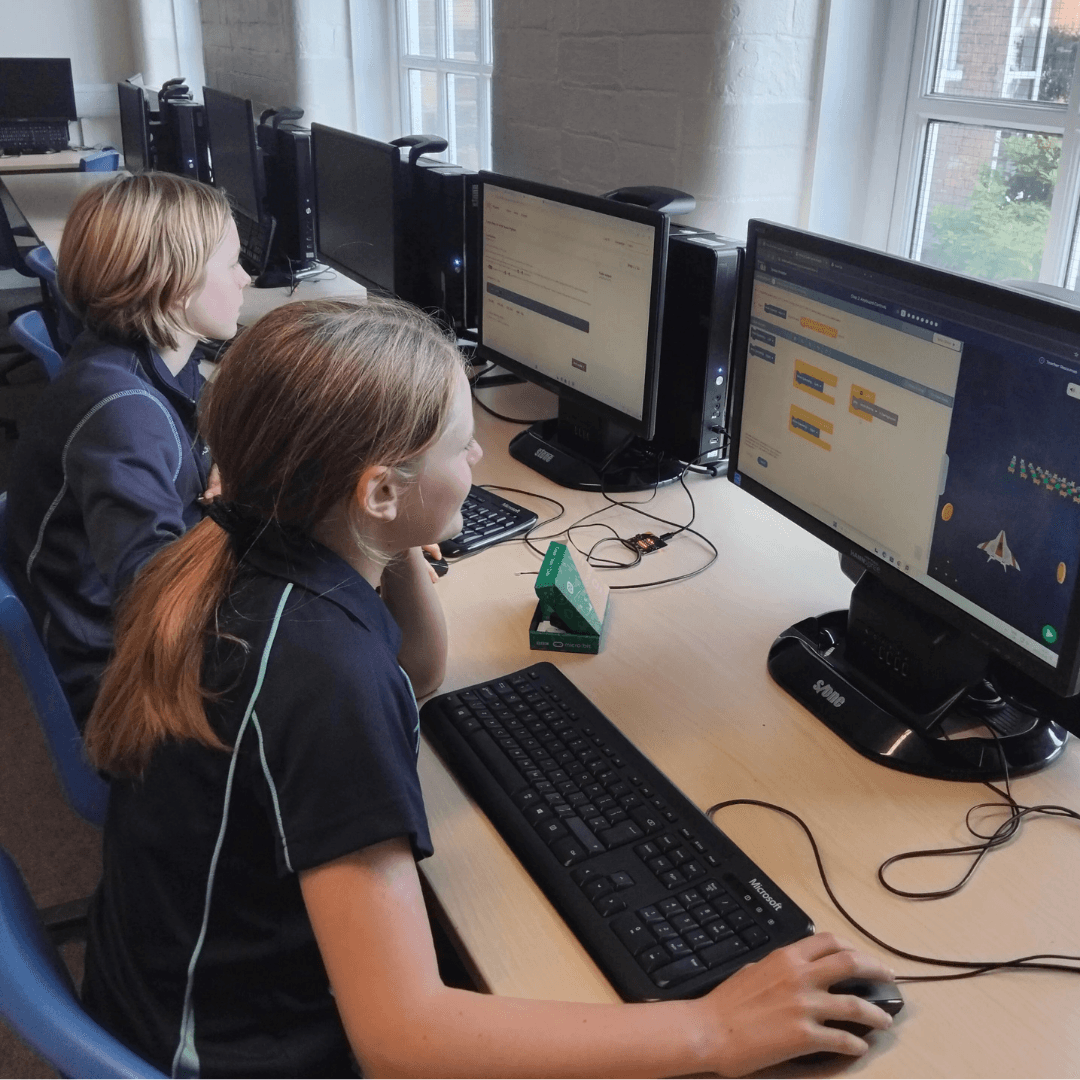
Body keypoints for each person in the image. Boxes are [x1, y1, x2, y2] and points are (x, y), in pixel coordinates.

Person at [81, 297, 896, 1079]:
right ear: (378, 490)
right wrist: (713, 1027)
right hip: (230, 1057)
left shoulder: (257, 557)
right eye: (462, 446)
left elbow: (420, 671)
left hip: (164, 1006)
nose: (477, 461)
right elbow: (404, 1039)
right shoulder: (321, 673)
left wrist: (391, 540)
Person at [5, 172, 249, 729]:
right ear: (176, 281)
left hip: (123, 638)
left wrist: (226, 464)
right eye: (232, 262)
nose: (246, 277)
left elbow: (208, 434)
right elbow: (157, 611)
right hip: (124, 688)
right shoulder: (122, 413)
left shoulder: (141, 358)